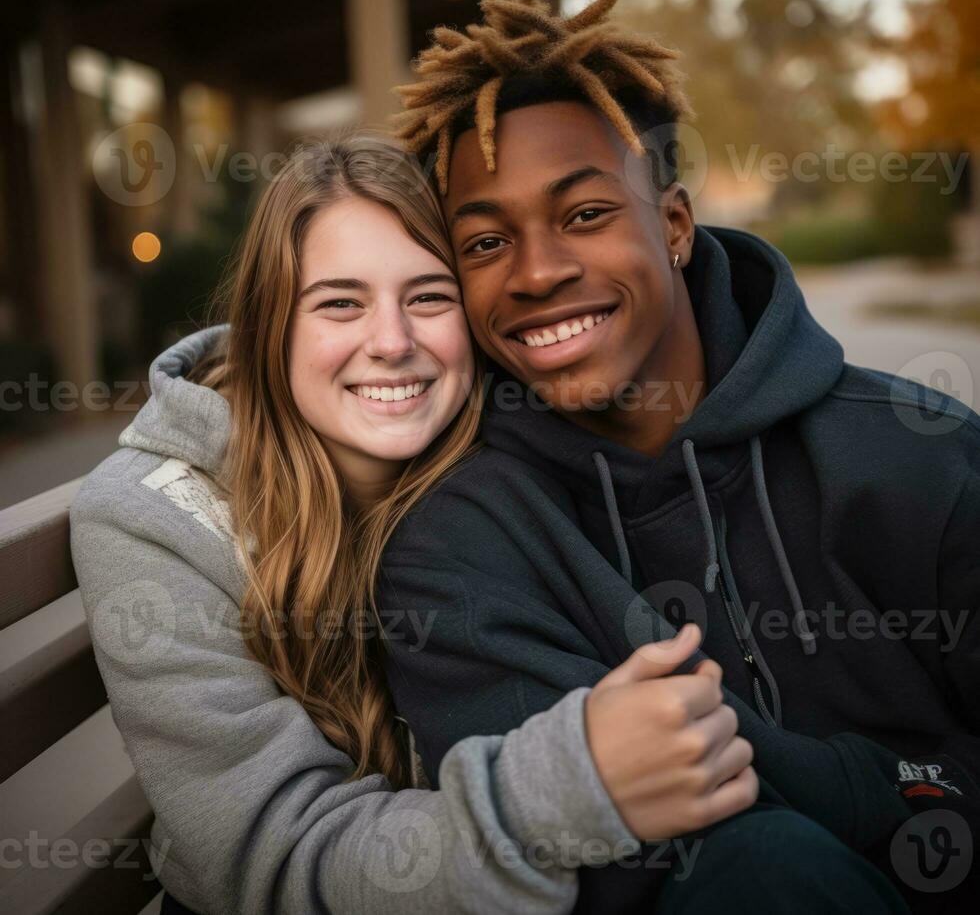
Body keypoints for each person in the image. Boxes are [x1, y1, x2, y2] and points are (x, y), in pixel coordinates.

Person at [378, 0, 979, 913]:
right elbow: (617, 864)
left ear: (674, 224)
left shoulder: (920, 456)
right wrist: (874, 788)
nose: (536, 272)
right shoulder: (460, 549)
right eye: (486, 243)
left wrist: (907, 797)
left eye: (584, 214)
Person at [71, 134, 762, 915]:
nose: (393, 343)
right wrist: (563, 791)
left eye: (429, 296)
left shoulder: (510, 462)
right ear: (271, 325)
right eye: (340, 303)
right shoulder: (153, 512)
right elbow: (271, 855)